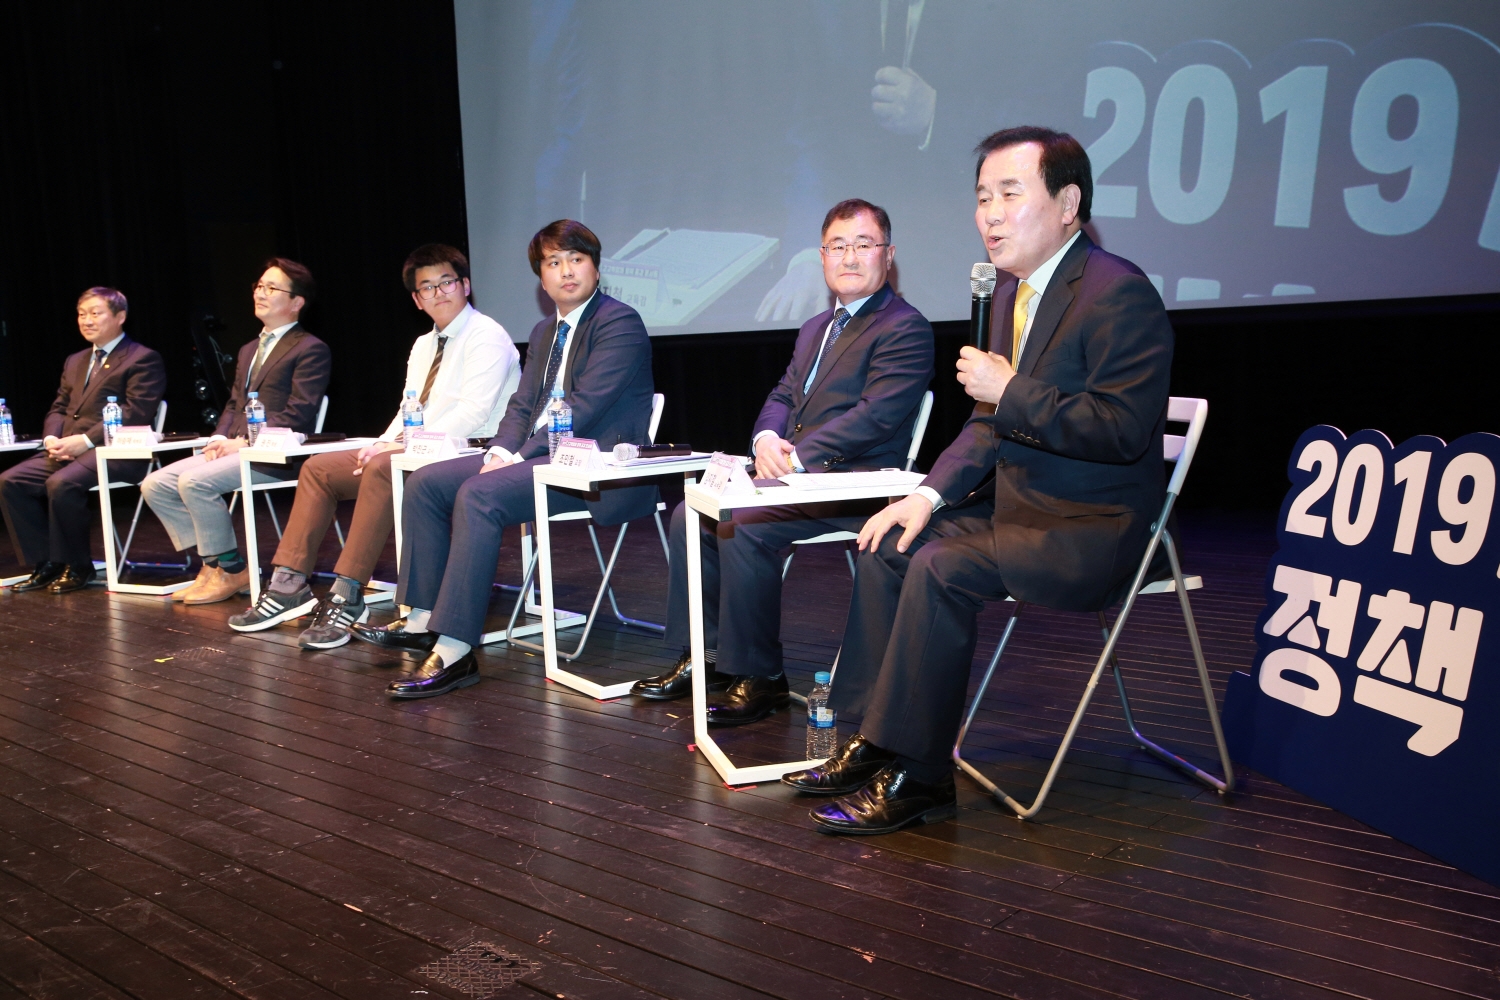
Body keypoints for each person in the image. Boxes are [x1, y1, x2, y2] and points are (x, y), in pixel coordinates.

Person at [783, 126, 1173, 835]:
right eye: (982, 197)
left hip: (1091, 530)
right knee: (891, 542)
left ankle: (922, 775)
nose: (989, 214)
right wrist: (923, 496)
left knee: (941, 566)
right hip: (1021, 513)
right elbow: (988, 425)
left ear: (1068, 204)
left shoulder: (1118, 292)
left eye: (1008, 194)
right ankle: (874, 740)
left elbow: (1121, 429)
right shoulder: (1015, 296)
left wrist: (1010, 388)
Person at [631, 199, 934, 724]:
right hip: (793, 476)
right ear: (821, 256)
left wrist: (796, 459)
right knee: (690, 515)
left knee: (743, 523)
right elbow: (782, 394)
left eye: (863, 245)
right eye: (838, 246)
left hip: (855, 483)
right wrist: (766, 439)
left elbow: (876, 417)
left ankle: (761, 677)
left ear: (888, 255)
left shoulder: (905, 327)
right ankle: (706, 657)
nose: (849, 257)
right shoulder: (817, 326)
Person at [352, 220, 657, 699]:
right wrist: (500, 450)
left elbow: (583, 408)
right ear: (541, 278)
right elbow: (522, 405)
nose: (566, 271)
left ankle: (455, 650)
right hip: (539, 459)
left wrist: (516, 457)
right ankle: (423, 620)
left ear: (596, 269)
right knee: (426, 482)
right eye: (553, 262)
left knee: (479, 494)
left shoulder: (619, 322)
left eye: (576, 259)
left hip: (594, 467)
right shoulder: (544, 331)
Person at [226, 244, 520, 647]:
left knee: (383, 468)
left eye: (446, 282)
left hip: (469, 450)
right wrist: (383, 442)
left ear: (465, 285)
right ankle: (288, 583)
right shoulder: (424, 344)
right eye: (427, 287)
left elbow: (472, 411)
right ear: (416, 300)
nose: (438, 293)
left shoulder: (487, 335)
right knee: (319, 469)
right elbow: (408, 408)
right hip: (417, 448)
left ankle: (347, 593)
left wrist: (399, 449)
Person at [140, 258, 331, 605]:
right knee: (156, 484)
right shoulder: (248, 349)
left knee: (194, 482)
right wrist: (219, 438)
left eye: (271, 288)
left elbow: (299, 412)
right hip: (236, 448)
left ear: (296, 302)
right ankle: (217, 564)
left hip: (277, 456)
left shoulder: (310, 348)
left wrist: (244, 443)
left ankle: (229, 570)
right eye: (259, 286)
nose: (260, 293)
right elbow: (234, 404)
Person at [0, 287, 166, 593]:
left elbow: (136, 411)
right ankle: (46, 562)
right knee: (11, 481)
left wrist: (86, 441)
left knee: (61, 484)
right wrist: (52, 438)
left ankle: (78, 565)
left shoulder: (142, 358)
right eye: (81, 314)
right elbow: (59, 407)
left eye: (95, 313)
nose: (87, 320)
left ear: (120, 317)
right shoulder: (75, 360)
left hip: (116, 452)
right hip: (69, 449)